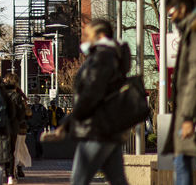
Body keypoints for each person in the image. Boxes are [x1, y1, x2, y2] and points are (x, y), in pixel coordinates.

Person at [42, 18, 131, 185]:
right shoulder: (111, 57)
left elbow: (90, 95)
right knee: (118, 180)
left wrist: (66, 124)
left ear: (101, 35)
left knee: (79, 180)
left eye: (86, 35)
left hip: (96, 128)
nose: (83, 40)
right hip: (109, 128)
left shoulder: (102, 58)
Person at [164, 0, 196, 185]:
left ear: (182, 8)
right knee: (184, 159)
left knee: (188, 160)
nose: (171, 18)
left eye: (171, 13)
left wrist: (187, 117)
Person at [2, 73, 31, 179]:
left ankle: (10, 170)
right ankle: (14, 171)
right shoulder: (19, 95)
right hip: (18, 126)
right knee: (17, 149)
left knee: (10, 149)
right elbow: (23, 113)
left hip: (4, 126)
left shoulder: (1, 94)